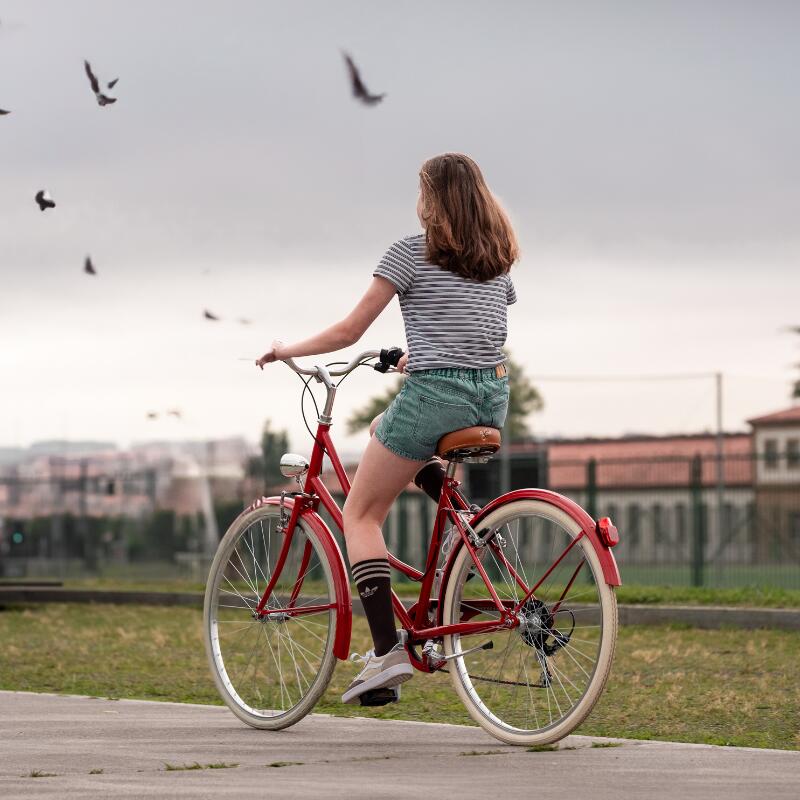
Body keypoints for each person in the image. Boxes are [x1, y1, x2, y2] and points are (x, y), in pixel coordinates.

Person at [256, 152, 518, 704]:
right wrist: (417, 357)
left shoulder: (410, 252)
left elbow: (350, 331)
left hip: (435, 395)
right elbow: (472, 330)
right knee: (384, 425)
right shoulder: (498, 259)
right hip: (491, 394)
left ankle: (386, 652)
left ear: (433, 199)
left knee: (361, 513)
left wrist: (286, 350)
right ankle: (463, 524)